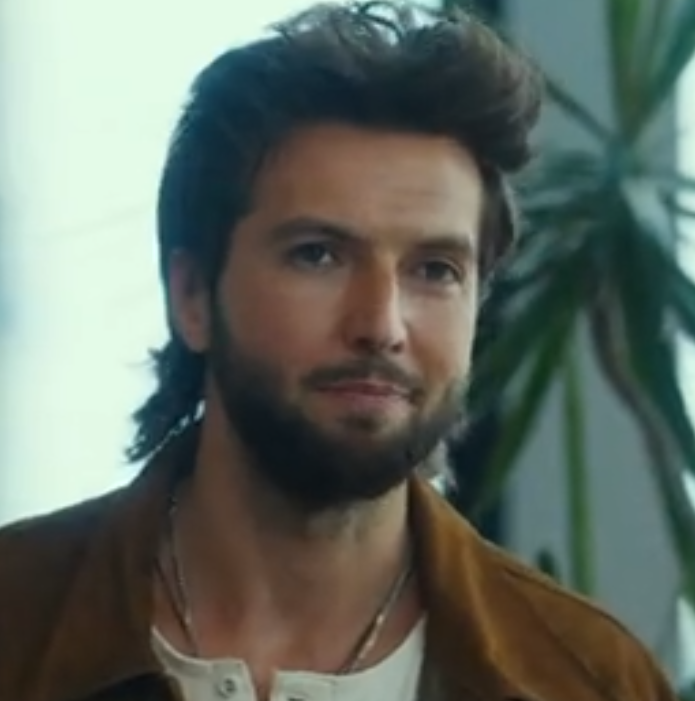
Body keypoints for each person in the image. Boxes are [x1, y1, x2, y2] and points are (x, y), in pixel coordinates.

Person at [0, 3, 678, 701]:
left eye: (434, 269)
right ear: (193, 296)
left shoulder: (588, 680)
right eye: (318, 255)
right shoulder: (18, 617)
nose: (381, 324)